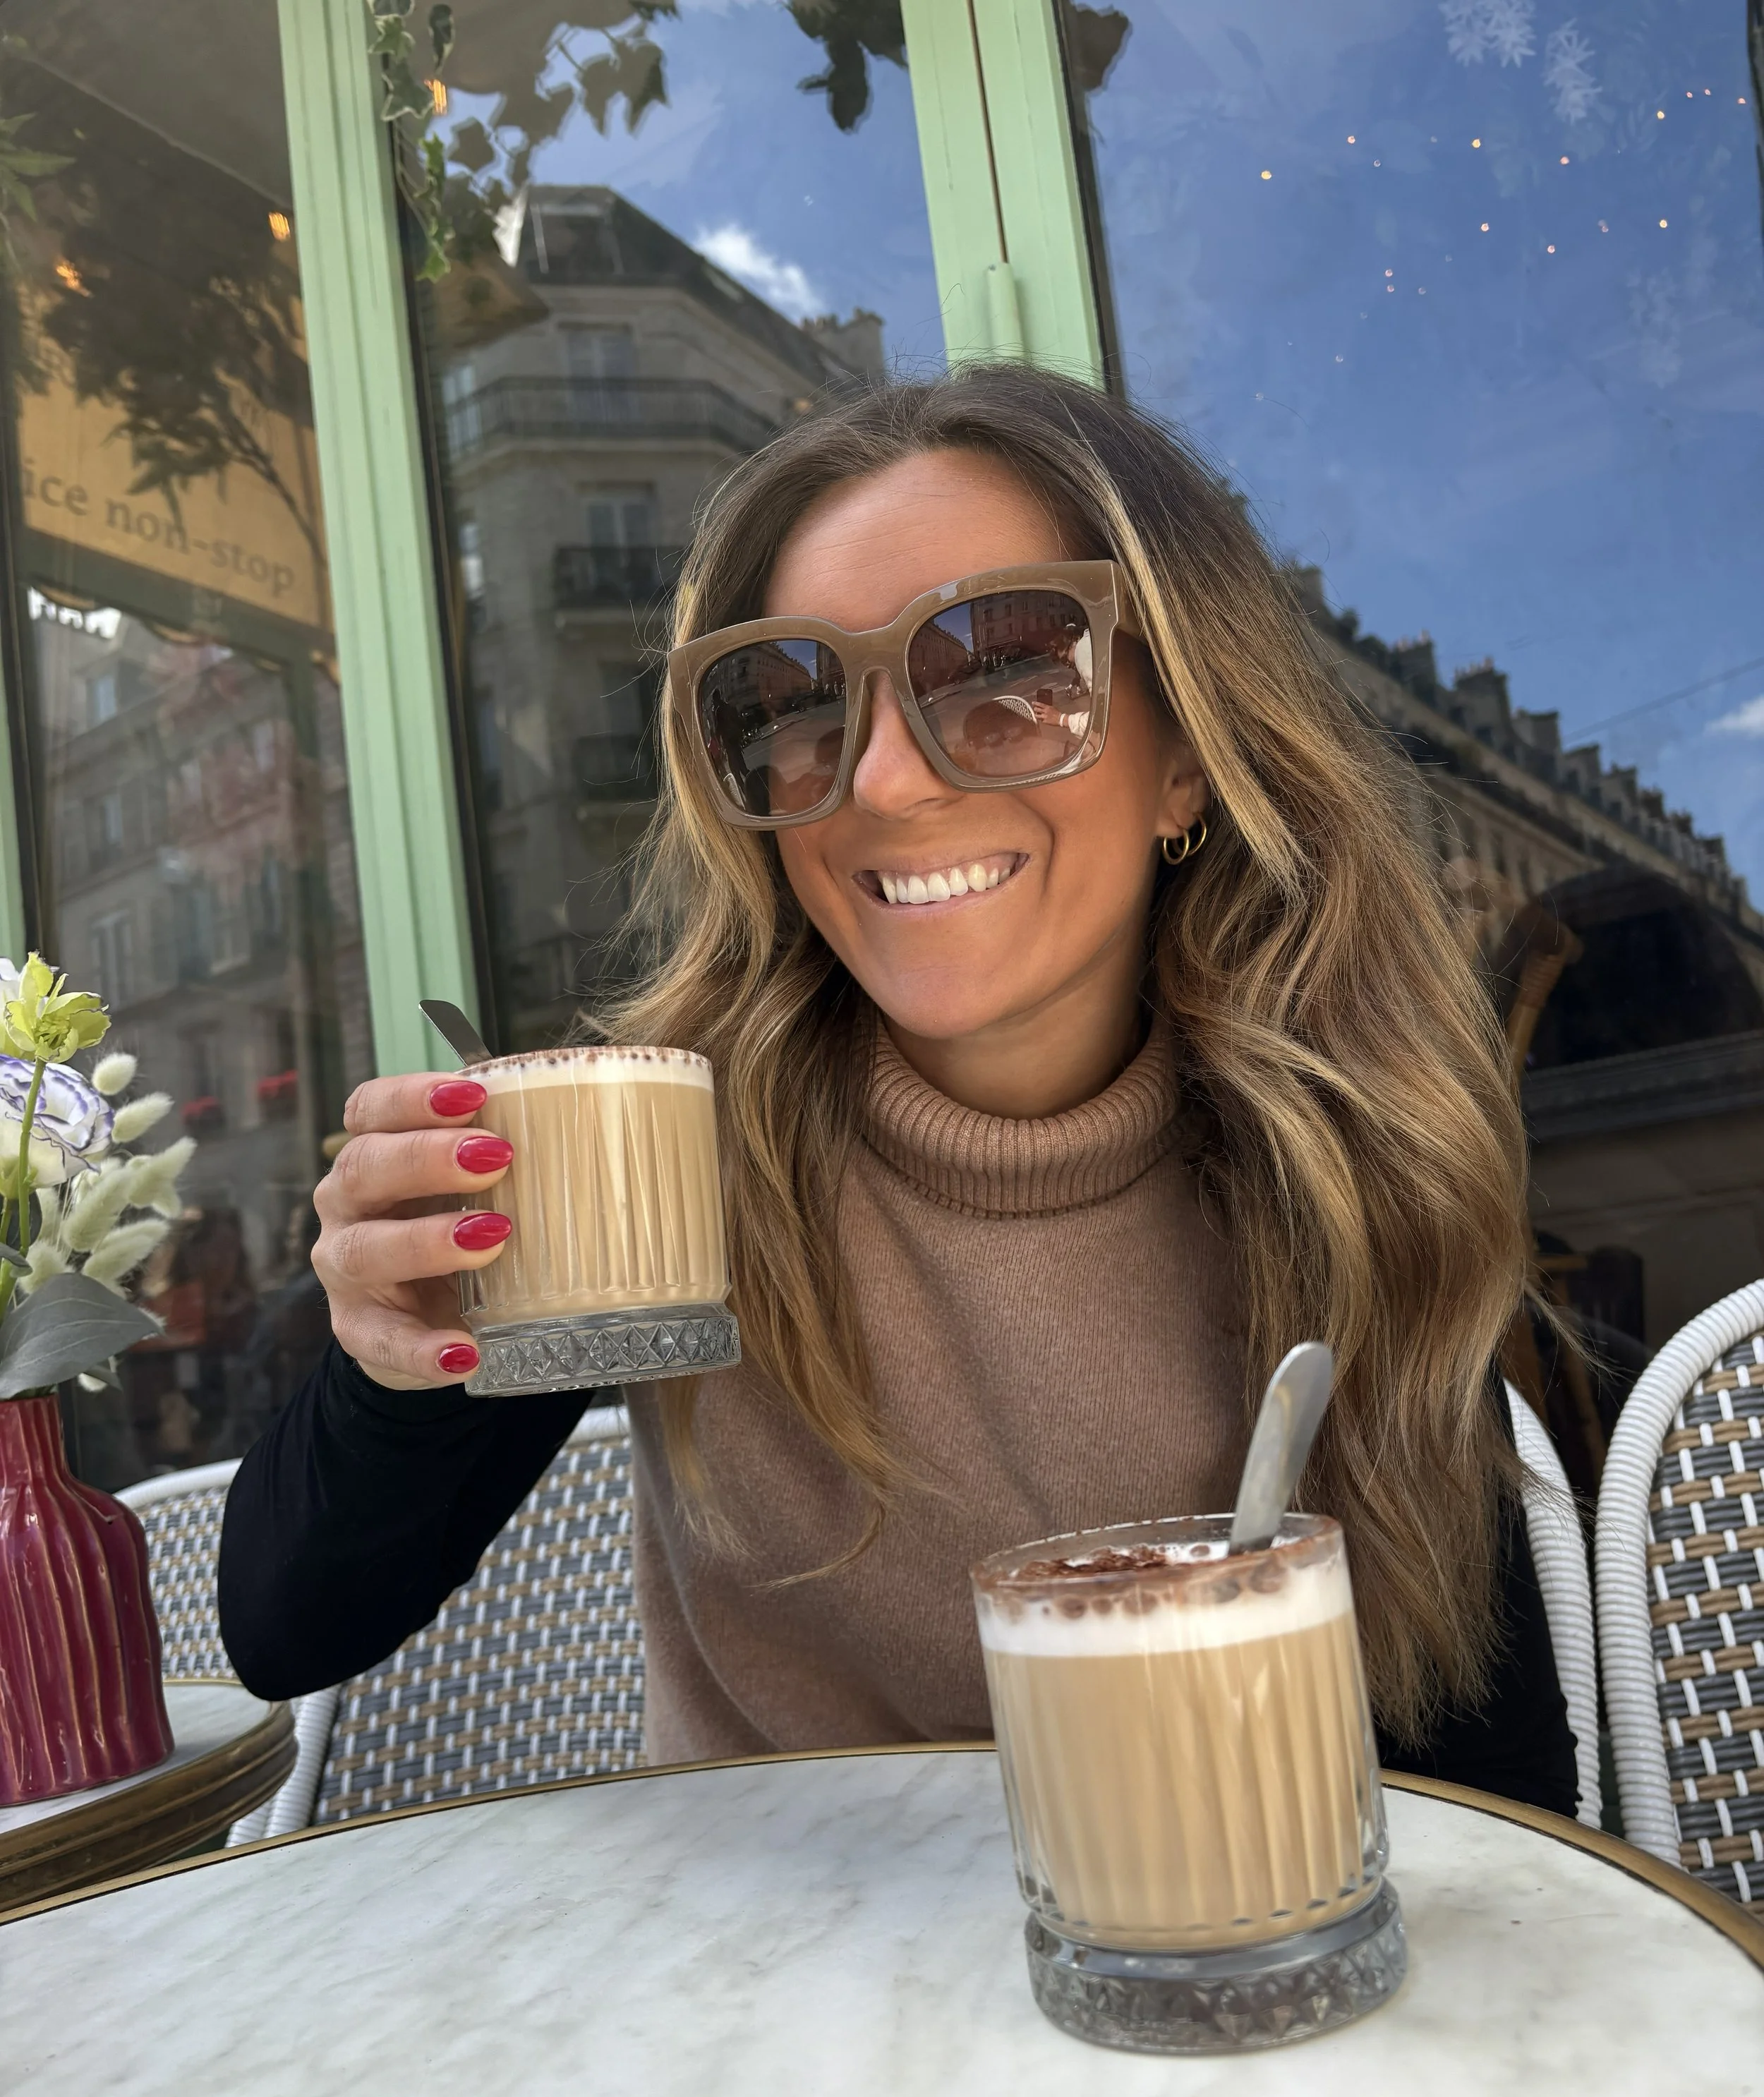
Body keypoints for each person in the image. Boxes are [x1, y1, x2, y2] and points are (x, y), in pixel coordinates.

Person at [218, 367, 1576, 1814]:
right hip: (776, 1984)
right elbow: (293, 1623)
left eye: (1001, 673)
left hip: (1195, 1971)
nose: (880, 779)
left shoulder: (1330, 1158)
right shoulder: (667, 1144)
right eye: (792, 706)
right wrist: (395, 1366)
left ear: (1186, 756)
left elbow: (1485, 1783)